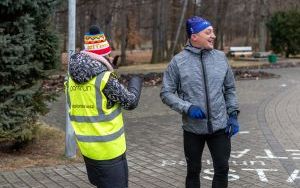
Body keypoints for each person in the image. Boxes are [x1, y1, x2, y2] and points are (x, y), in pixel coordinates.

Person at [160, 16, 240, 188]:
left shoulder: (220, 58)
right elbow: (166, 92)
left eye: (213, 32)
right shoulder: (178, 62)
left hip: (220, 127)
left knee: (222, 169)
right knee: (193, 170)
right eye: (208, 32)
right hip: (193, 129)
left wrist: (233, 114)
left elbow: (230, 89)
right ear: (194, 36)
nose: (214, 36)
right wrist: (187, 108)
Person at [65, 25, 142, 188]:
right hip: (109, 150)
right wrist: (135, 82)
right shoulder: (104, 79)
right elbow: (130, 102)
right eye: (107, 53)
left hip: (88, 149)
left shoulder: (70, 80)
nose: (109, 55)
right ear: (101, 54)